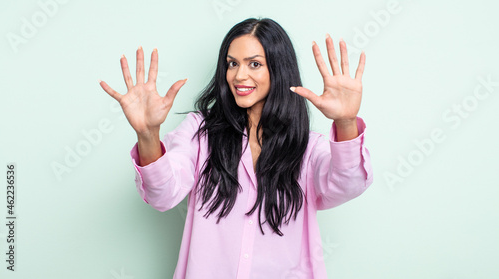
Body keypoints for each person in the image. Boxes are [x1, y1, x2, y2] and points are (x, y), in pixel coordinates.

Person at [99, 18, 373, 279]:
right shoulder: (199, 132)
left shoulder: (308, 148)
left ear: (278, 70)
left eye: (254, 64)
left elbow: (348, 184)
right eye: (232, 64)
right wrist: (147, 134)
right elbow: (162, 195)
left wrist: (345, 121)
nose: (239, 75)